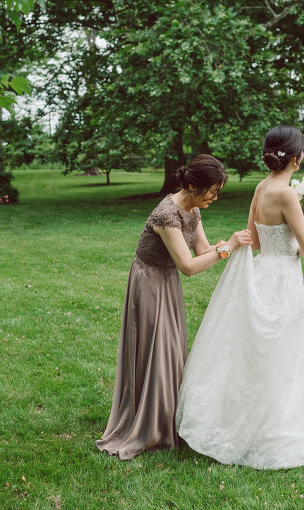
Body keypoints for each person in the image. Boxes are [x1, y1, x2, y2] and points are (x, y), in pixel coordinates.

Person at [175, 126, 304, 469]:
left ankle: (241, 413)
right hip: (284, 279)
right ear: (296, 159)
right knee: (281, 350)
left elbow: (251, 237)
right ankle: (274, 423)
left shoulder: (262, 187)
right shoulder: (288, 195)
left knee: (256, 349)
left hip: (263, 270)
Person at [96, 154, 252, 461]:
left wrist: (229, 246)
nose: (215, 198)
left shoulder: (193, 208)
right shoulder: (166, 215)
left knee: (170, 350)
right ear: (194, 186)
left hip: (167, 282)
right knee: (158, 349)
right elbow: (189, 266)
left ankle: (169, 417)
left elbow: (203, 249)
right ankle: (150, 424)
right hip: (150, 284)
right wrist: (228, 249)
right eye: (212, 192)